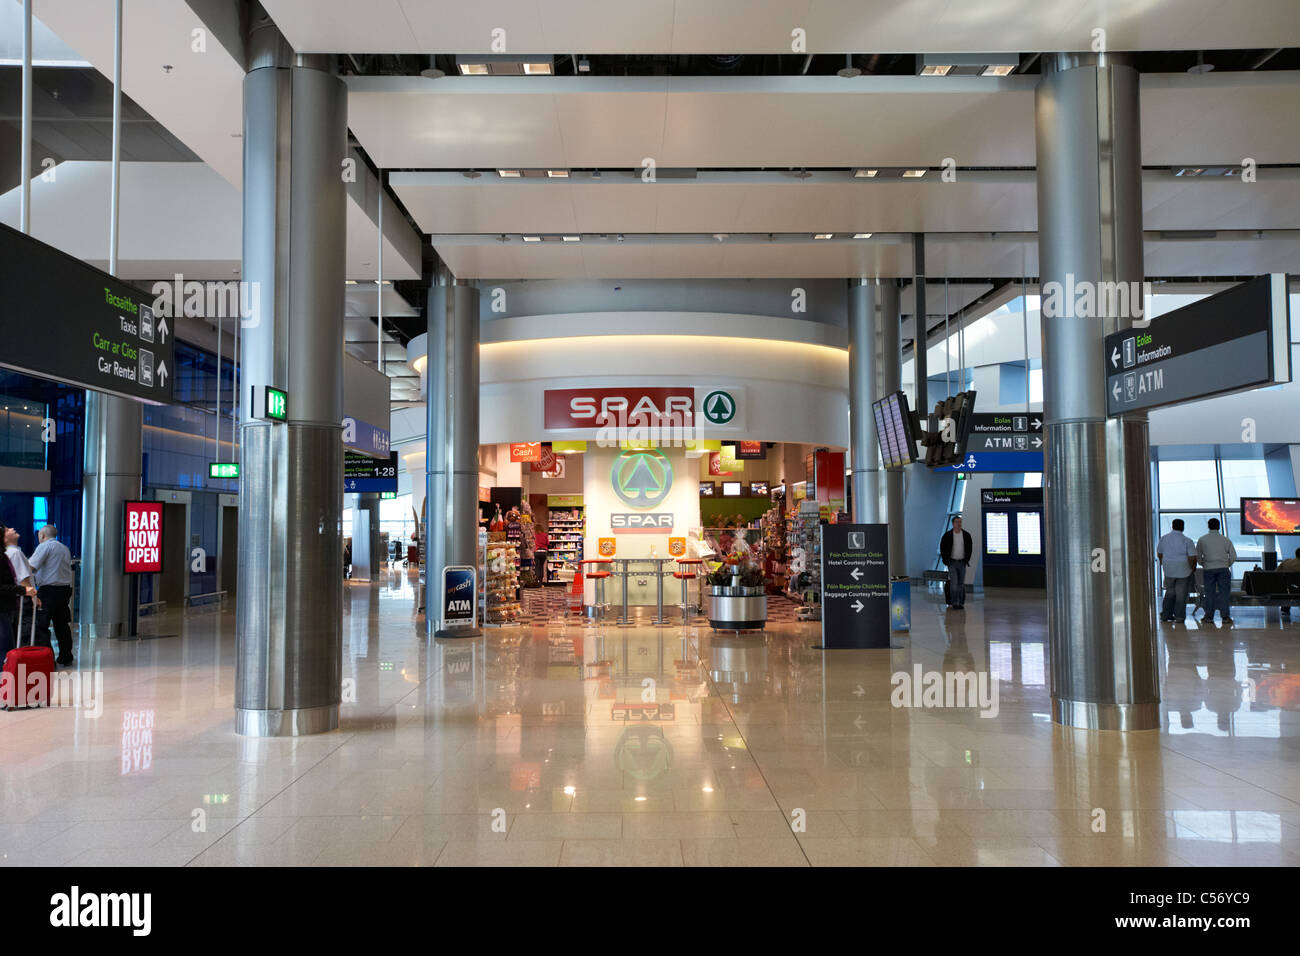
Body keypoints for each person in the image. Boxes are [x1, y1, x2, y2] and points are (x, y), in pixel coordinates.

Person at [27, 524, 73, 666]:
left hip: (48, 591)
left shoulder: (44, 546)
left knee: (42, 625)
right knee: (62, 625)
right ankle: (66, 656)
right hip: (64, 590)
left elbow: (31, 566)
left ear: (42, 535)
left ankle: (46, 659)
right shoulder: (64, 548)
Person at [0, 523, 40, 662]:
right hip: (15, 602)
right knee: (12, 642)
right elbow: (23, 580)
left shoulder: (6, 553)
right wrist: (32, 595)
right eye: (7, 530)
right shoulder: (14, 553)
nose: (12, 528)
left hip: (10, 602)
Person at [1196, 518, 1237, 626]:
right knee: (1224, 593)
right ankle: (1225, 617)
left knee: (1209, 593)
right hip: (1223, 569)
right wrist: (1227, 564)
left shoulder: (1202, 539)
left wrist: (1203, 563)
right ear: (1219, 526)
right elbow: (1233, 556)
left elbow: (1198, 556)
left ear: (1208, 526)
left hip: (1208, 569)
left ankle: (1209, 616)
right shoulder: (1225, 540)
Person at [1156, 519, 1197, 623]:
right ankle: (1179, 617)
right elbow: (1192, 557)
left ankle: (1165, 615)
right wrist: (1193, 568)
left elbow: (1160, 553)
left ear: (1172, 526)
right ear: (1183, 527)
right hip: (1183, 570)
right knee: (1181, 594)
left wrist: (1163, 563)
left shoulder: (1164, 538)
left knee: (1169, 592)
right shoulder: (1187, 540)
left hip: (1168, 569)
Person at [939, 516, 973, 610]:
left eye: (960, 522)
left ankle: (960, 602)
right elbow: (943, 548)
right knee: (954, 583)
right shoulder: (947, 535)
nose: (959, 524)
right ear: (953, 523)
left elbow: (969, 548)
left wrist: (966, 560)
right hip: (952, 562)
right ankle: (954, 602)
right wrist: (946, 561)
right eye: (957, 522)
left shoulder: (966, 535)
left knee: (961, 584)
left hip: (962, 562)